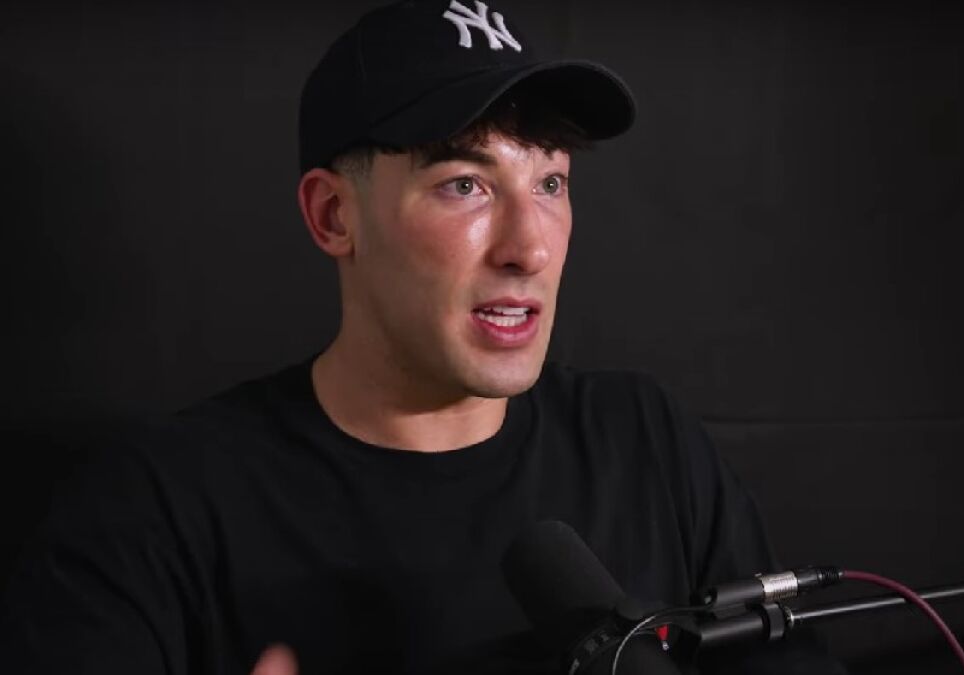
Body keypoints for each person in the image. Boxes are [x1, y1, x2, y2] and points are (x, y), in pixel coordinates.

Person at [1, 2, 846, 674]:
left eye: (550, 180)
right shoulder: (158, 508)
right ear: (334, 215)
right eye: (465, 183)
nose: (530, 246)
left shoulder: (646, 443)